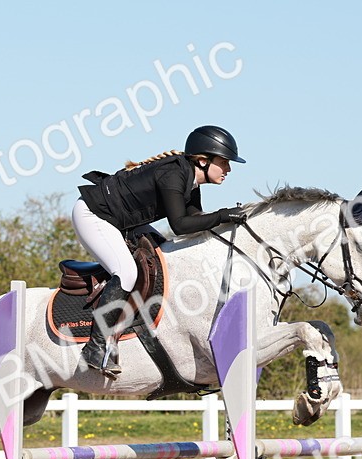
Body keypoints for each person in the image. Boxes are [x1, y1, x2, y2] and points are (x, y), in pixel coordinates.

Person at [72, 125, 248, 377]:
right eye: (224, 162)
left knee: (164, 256)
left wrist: (227, 221)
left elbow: (195, 219)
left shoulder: (190, 180)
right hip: (94, 215)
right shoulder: (173, 175)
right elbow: (180, 225)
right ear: (202, 160)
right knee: (127, 273)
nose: (228, 169)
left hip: (121, 220)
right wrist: (222, 215)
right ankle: (95, 347)